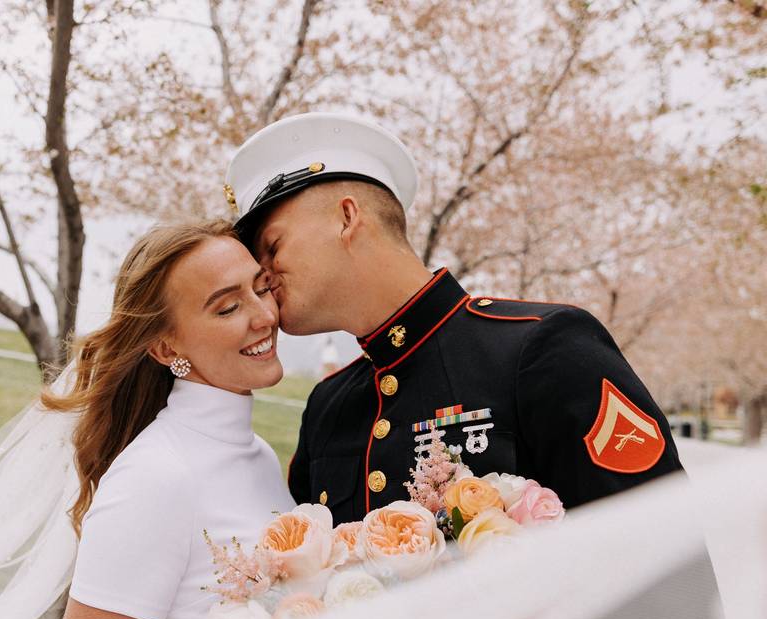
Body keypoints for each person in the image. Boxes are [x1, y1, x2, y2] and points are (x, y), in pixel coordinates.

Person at [222, 112, 685, 524]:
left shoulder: (542, 348)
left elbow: (660, 559)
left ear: (346, 217)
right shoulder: (327, 407)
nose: (262, 275)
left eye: (273, 246)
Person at [0, 220, 295, 619]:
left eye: (262, 288)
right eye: (228, 308)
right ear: (165, 347)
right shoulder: (154, 477)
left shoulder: (260, 455)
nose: (266, 315)